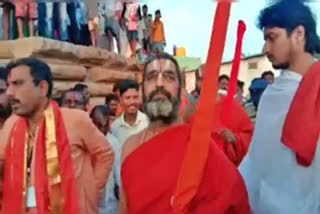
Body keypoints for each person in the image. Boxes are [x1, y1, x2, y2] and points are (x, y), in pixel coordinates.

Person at [119, 53, 250, 214]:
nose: (159, 84)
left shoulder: (200, 146)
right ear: (142, 91)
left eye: (169, 77)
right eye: (152, 77)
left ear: (181, 92)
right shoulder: (130, 147)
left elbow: (234, 202)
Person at [0, 58, 114, 214]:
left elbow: (105, 154)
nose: (10, 93)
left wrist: (91, 192)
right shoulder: (11, 125)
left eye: (18, 84)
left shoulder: (75, 120)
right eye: (8, 85)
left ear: (42, 88)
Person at [239, 1, 320, 213]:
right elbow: (256, 163)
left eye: (272, 38)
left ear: (298, 34)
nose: (265, 48)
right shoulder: (272, 96)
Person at [90, 105, 121, 214]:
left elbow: (118, 172)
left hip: (109, 202)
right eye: (95, 124)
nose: (98, 129)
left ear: (107, 123)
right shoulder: (85, 140)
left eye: (101, 125)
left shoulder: (113, 143)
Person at [111, 79, 149, 145]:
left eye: (135, 97)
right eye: (127, 98)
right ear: (121, 100)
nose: (132, 102)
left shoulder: (148, 123)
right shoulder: (115, 127)